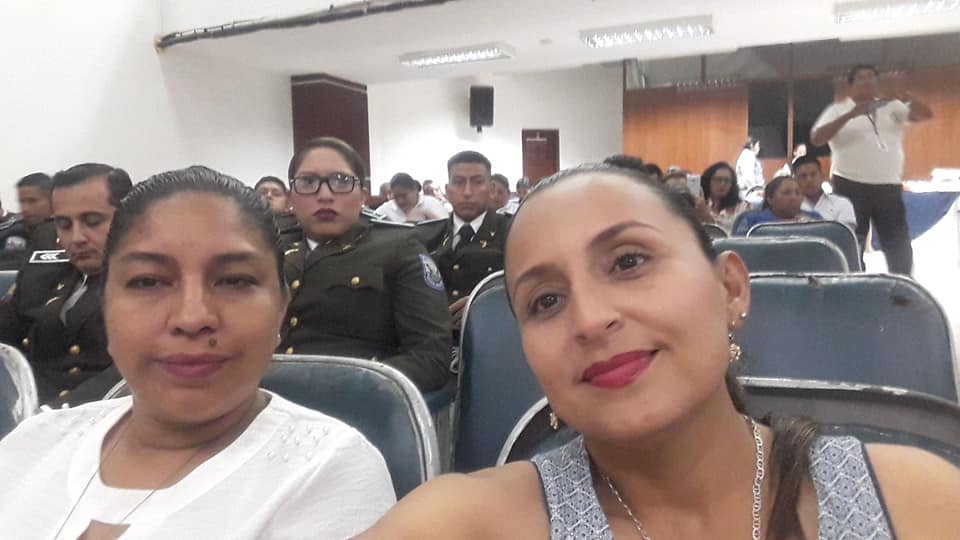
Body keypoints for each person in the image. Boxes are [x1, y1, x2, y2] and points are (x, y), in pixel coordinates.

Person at [358, 163, 960, 539]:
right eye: (546, 301)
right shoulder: (467, 523)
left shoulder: (913, 500)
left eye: (629, 262)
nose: (590, 320)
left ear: (729, 289)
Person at [0, 166, 395, 538]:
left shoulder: (326, 474)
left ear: (281, 307)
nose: (192, 318)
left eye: (234, 281)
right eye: (147, 282)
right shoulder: (33, 443)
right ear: (105, 306)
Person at [280, 137, 451, 392]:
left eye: (341, 181)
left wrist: (354, 388)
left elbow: (430, 358)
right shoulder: (273, 251)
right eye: (308, 182)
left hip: (356, 401)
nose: (325, 195)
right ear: (291, 197)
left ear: (362, 195)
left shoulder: (399, 248)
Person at [0, 163, 133, 406]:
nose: (76, 238)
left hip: (102, 415)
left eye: (93, 221)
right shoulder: (43, 269)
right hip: (26, 409)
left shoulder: (154, 282)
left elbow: (136, 371)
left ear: (129, 219)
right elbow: (7, 329)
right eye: (64, 225)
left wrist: (52, 416)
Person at [810, 64, 933, 275]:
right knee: (851, 242)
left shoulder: (892, 106)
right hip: (849, 184)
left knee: (898, 244)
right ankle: (853, 285)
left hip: (888, 186)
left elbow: (925, 114)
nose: (867, 82)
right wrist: (850, 115)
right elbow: (817, 138)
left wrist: (903, 96)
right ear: (851, 85)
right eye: (861, 78)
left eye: (872, 78)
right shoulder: (837, 109)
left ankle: (902, 285)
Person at [416, 151, 510, 330]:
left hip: (493, 331)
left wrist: (484, 301)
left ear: (491, 189)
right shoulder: (426, 236)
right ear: (447, 190)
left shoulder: (511, 232)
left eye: (477, 182)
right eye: (458, 183)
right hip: (433, 334)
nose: (467, 192)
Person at [0, 173, 59, 269]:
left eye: (32, 201)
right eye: (21, 202)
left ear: (52, 200)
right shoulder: (11, 230)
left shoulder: (65, 231)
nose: (25, 208)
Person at [733, 175, 823, 236]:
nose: (794, 197)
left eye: (798, 193)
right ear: (770, 199)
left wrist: (811, 227)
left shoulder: (815, 218)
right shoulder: (752, 220)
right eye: (786, 193)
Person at [793, 155, 857, 229]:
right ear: (795, 180)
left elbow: (846, 233)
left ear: (822, 176)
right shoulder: (790, 206)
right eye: (803, 176)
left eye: (813, 174)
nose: (809, 180)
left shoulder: (842, 203)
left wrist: (812, 224)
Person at [700, 162, 751, 233]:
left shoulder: (742, 207)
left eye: (727, 181)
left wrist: (706, 216)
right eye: (718, 180)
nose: (722, 184)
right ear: (708, 181)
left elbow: (739, 233)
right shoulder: (699, 205)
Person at [378, 173, 449, 223]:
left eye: (404, 196)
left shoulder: (432, 204)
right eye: (396, 197)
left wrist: (433, 219)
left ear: (415, 190)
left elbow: (447, 229)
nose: (400, 201)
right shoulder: (386, 209)